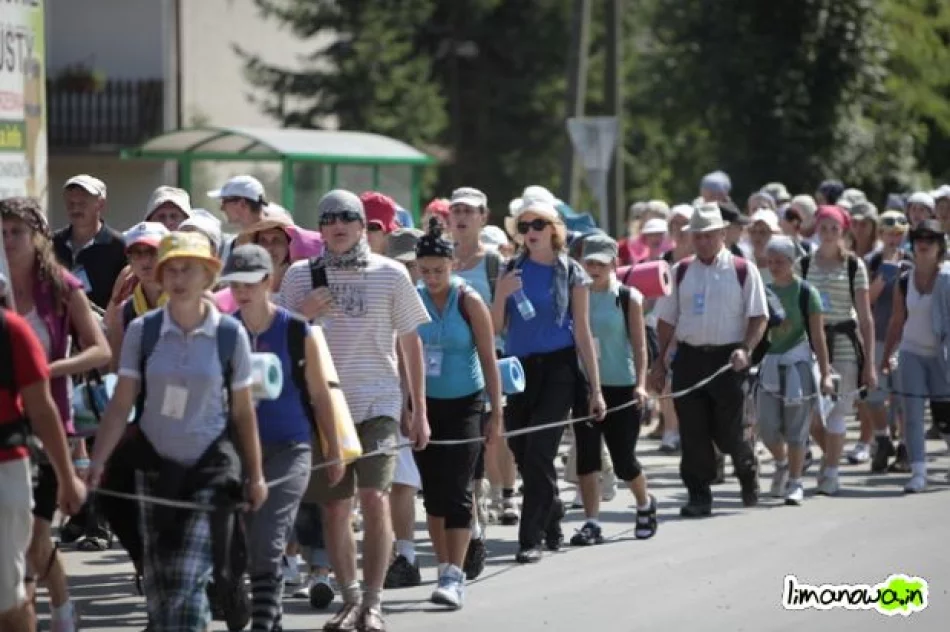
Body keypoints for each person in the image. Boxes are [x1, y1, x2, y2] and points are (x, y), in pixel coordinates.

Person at [86, 231, 267, 630]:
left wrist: (255, 475)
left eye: (190, 269)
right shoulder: (143, 331)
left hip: (209, 474)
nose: (179, 277)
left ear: (208, 276)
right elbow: (121, 404)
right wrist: (97, 462)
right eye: (172, 269)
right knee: (161, 587)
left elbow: (243, 413)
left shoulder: (229, 334)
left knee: (187, 582)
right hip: (154, 471)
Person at [278, 189, 430, 632]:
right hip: (323, 409)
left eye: (347, 217)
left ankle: (375, 602)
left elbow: (410, 342)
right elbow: (277, 341)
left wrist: (418, 409)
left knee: (374, 497)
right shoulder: (299, 277)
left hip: (378, 404)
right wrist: (302, 314)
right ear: (320, 228)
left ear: (363, 225)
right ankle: (350, 600)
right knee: (335, 509)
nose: (337, 224)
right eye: (328, 218)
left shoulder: (390, 274)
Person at [2, 196, 112, 631]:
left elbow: (100, 349)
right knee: (19, 541)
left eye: (17, 231)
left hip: (48, 421)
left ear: (38, 237)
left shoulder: (61, 286)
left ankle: (61, 609)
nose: (8, 239)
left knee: (33, 537)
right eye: (3, 231)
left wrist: (49, 369)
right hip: (4, 425)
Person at [225, 244, 342, 631]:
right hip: (239, 450)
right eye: (234, 283)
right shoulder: (225, 331)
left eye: (249, 282)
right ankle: (271, 617)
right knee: (249, 539)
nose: (241, 291)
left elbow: (320, 394)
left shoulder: (296, 330)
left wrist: (335, 450)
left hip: (291, 447)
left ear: (267, 281)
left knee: (272, 534)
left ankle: (261, 623)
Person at [491, 194, 605, 563]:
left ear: (554, 229)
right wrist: (500, 295)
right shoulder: (510, 270)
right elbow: (495, 328)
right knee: (522, 452)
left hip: (560, 368)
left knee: (540, 450)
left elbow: (584, 332)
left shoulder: (572, 271)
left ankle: (531, 537)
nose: (530, 231)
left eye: (538, 224)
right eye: (524, 226)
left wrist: (596, 390)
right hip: (519, 369)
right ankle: (552, 512)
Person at [650, 203, 768, 517]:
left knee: (729, 432)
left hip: (728, 358)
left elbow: (759, 316)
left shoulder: (743, 270)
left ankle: (745, 466)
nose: (702, 242)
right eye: (697, 236)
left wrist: (746, 348)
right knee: (693, 430)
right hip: (689, 358)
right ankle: (698, 494)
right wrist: (660, 361)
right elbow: (666, 320)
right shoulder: (681, 271)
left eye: (708, 236)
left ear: (722, 234)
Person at [412, 218, 503, 608]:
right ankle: (444, 567)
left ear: (452, 266)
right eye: (426, 270)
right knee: (432, 492)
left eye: (439, 270)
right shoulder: (413, 299)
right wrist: (410, 407)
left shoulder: (469, 301)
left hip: (466, 402)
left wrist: (495, 412)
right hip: (426, 405)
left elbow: (488, 358)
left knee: (458, 488)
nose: (432, 277)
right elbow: (403, 356)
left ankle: (455, 574)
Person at [0, 279, 87, 632]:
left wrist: (67, 478)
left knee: (7, 601)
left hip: (5, 469)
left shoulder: (12, 332)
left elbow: (42, 409)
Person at [446, 186, 518, 567]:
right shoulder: (436, 259)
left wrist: (498, 297)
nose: (461, 217)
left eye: (469, 211)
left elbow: (498, 324)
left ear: (483, 217)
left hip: (483, 366)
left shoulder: (494, 265)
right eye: (456, 209)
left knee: (484, 443)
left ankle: (478, 524)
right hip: (443, 371)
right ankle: (470, 522)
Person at [570, 234, 657, 545]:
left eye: (600, 264)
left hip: (621, 386)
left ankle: (645, 504)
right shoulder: (575, 294)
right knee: (587, 457)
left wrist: (641, 386)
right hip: (584, 386)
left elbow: (640, 345)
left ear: (613, 265)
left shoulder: (627, 297)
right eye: (588, 262)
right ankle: (592, 522)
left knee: (623, 461)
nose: (593, 268)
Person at [798, 205, 877, 495]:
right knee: (806, 413)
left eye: (835, 228)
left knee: (837, 414)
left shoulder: (854, 266)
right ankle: (831, 455)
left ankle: (831, 471)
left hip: (844, 344)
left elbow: (866, 318)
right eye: (824, 228)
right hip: (810, 345)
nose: (829, 234)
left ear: (843, 232)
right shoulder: (803, 265)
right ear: (817, 229)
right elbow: (797, 309)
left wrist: (869, 364)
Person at [755, 237, 834, 505]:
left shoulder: (805, 292)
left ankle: (795, 481)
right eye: (771, 261)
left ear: (792, 263)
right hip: (769, 365)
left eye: (780, 261)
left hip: (797, 364)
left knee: (797, 428)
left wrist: (824, 374)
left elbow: (818, 336)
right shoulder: (762, 291)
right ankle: (781, 462)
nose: (775, 266)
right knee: (766, 427)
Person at [881, 220, 950, 492]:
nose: (923, 243)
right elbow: (897, 321)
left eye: (930, 239)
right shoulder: (905, 280)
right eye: (919, 238)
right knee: (911, 413)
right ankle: (918, 472)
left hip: (942, 356)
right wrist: (886, 355)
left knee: (945, 417)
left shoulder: (947, 279)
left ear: (940, 246)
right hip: (911, 353)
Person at [865, 211, 913, 473]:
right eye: (889, 234)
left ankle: (905, 446)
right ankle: (883, 439)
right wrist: (885, 272)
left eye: (899, 234)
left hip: (905, 339)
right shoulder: (870, 262)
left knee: (904, 397)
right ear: (881, 235)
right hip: (877, 336)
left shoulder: (913, 261)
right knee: (874, 396)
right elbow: (867, 300)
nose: (894, 240)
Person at [52, 174, 127, 311]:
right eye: (71, 203)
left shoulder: (118, 246)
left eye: (82, 203)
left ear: (100, 204)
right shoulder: (52, 243)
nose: (75, 209)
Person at [103, 222, 170, 371]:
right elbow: (116, 371)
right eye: (137, 253)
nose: (145, 261)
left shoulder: (185, 302)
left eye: (153, 252)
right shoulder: (124, 312)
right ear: (130, 261)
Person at [208, 175, 270, 260]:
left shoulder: (275, 241)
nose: (221, 208)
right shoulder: (229, 244)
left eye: (224, 201)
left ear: (242, 203)